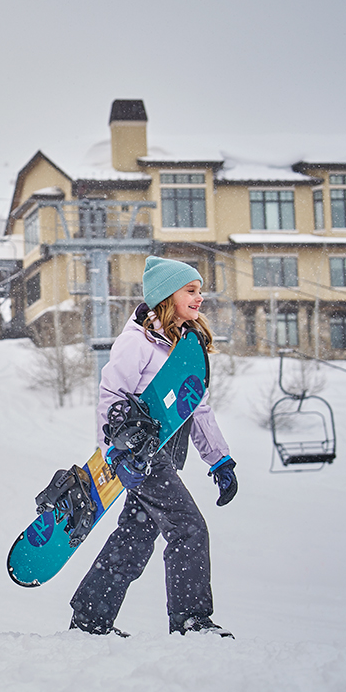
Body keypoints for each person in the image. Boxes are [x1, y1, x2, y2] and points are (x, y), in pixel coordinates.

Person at [67, 256, 238, 638]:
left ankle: (90, 619)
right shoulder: (137, 341)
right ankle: (191, 621)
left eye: (200, 291)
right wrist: (113, 455)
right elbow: (111, 396)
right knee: (188, 527)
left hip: (166, 456)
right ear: (166, 295)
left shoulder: (185, 345)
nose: (200, 298)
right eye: (190, 291)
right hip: (140, 458)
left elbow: (198, 404)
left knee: (136, 535)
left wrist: (219, 459)